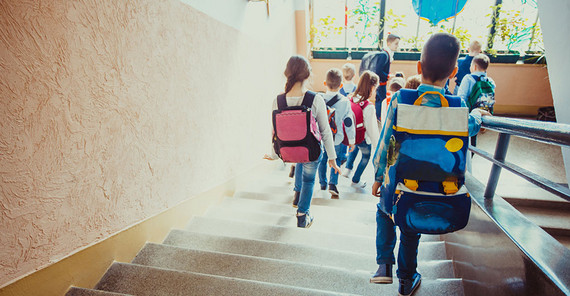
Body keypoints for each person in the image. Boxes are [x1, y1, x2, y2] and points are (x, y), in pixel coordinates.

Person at [370, 33, 490, 296]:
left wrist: (379, 175)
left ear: (418, 67)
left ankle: (384, 264)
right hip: (438, 189)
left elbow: (386, 140)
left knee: (384, 211)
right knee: (411, 232)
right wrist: (478, 116)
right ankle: (406, 279)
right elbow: (471, 126)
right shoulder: (458, 107)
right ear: (455, 70)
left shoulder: (402, 99)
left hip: (399, 184)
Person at [264, 55, 340, 228]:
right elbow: (325, 131)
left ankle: (296, 194)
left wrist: (275, 154)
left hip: (287, 151)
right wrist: (332, 158)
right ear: (307, 75)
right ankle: (302, 214)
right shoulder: (315, 99)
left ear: (287, 73)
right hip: (311, 151)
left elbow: (274, 130)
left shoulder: (278, 100)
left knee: (299, 163)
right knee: (308, 180)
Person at [317, 68, 356, 197]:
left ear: (324, 83)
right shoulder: (345, 102)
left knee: (322, 160)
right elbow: (349, 122)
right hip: (336, 138)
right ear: (341, 85)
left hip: (321, 138)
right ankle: (332, 184)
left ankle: (322, 182)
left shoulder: (318, 99)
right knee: (337, 159)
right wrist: (351, 141)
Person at [342, 71, 380, 188]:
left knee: (354, 148)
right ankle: (355, 180)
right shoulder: (368, 107)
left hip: (351, 135)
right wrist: (377, 146)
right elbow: (372, 130)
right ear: (372, 87)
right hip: (362, 138)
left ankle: (347, 169)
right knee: (366, 156)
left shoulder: (350, 98)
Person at [360, 33, 401, 120]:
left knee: (380, 99)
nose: (397, 46)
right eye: (396, 44)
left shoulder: (386, 54)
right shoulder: (385, 55)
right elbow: (378, 71)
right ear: (389, 43)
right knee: (381, 100)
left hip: (382, 82)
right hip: (381, 82)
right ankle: (378, 118)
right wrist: (388, 76)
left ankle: (378, 117)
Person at [338, 63, 358, 166]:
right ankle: (347, 156)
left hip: (340, 116)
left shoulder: (339, 88)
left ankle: (341, 155)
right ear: (354, 75)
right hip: (353, 117)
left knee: (341, 135)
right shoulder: (356, 88)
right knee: (350, 135)